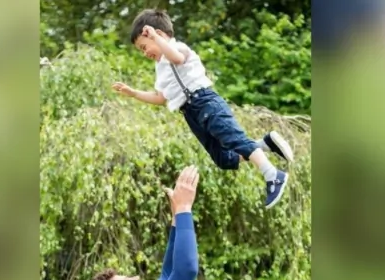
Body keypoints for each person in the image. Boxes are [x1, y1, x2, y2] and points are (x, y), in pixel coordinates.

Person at [112, 9, 293, 209]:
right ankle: (265, 144)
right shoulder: (160, 67)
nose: (145, 53)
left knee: (235, 140)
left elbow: (177, 59)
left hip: (205, 102)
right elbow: (161, 97)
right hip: (191, 113)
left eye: (145, 46)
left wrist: (154, 36)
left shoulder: (177, 47)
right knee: (223, 159)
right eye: (141, 50)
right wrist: (134, 93)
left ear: (160, 35)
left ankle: (273, 175)